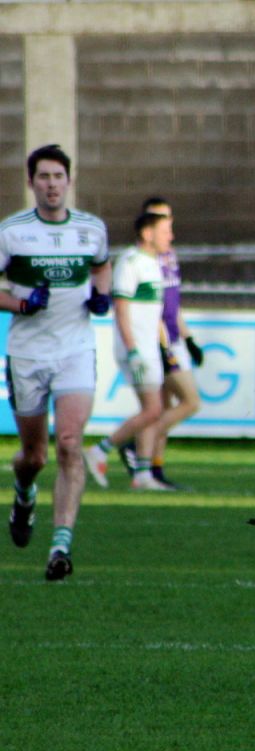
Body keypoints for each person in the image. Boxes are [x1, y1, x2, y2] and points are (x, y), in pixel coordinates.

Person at [0, 144, 112, 580]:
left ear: (69, 181)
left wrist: (101, 296)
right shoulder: (12, 232)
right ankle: (24, 491)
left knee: (69, 442)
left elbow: (101, 267)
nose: (51, 184)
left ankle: (60, 547)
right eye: (43, 177)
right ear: (31, 183)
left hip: (75, 350)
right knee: (35, 456)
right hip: (27, 353)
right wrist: (21, 304)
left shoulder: (90, 229)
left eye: (58, 177)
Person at [82, 212, 173, 491]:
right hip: (136, 349)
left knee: (152, 410)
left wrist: (164, 347)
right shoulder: (130, 262)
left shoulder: (154, 264)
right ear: (147, 233)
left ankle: (142, 475)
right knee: (153, 408)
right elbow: (121, 308)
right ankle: (100, 449)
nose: (170, 236)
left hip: (149, 348)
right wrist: (133, 349)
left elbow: (153, 313)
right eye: (165, 230)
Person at [117, 197, 202, 489]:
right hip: (160, 340)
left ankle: (154, 468)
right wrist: (164, 344)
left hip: (173, 338)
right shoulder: (141, 260)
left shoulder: (167, 255)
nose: (169, 228)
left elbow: (172, 303)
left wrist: (188, 338)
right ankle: (135, 444)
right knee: (187, 401)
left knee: (166, 404)